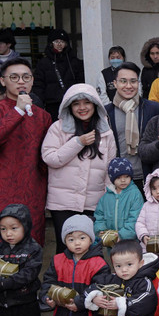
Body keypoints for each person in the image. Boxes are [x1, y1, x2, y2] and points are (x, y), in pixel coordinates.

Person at [0, 59, 52, 275]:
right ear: (2, 81)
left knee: (29, 245)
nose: (21, 82)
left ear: (32, 81)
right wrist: (17, 111)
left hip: (32, 186)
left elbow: (45, 155)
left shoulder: (43, 116)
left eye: (26, 77)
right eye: (14, 77)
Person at [41, 84, 116, 255]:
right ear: (69, 106)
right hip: (63, 202)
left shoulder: (106, 132)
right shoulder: (57, 128)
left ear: (95, 104)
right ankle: (64, 281)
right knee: (65, 248)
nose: (82, 108)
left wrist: (108, 199)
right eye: (76, 104)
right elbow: (50, 158)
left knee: (91, 248)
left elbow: (109, 169)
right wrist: (78, 142)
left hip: (94, 201)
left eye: (86, 103)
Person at [39, 214, 109, 316]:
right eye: (71, 239)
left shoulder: (98, 263)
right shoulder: (57, 260)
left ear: (90, 239)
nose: (77, 243)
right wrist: (46, 297)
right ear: (65, 241)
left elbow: (99, 287)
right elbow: (48, 282)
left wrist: (79, 303)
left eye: (82, 238)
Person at [105, 62, 159, 186]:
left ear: (138, 83)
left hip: (148, 177)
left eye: (133, 81)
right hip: (118, 179)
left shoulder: (153, 109)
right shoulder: (106, 113)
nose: (129, 86)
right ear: (115, 83)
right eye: (123, 81)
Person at [33, 28, 85, 119]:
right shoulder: (44, 63)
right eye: (56, 41)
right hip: (52, 104)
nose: (59, 44)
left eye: (62, 41)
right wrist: (40, 104)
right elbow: (39, 85)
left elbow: (81, 81)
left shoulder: (74, 61)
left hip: (72, 101)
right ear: (51, 43)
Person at [93, 158, 144, 245]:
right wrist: (101, 231)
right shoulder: (106, 196)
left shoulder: (135, 194)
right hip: (109, 242)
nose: (123, 180)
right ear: (112, 178)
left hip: (129, 242)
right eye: (119, 177)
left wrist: (122, 235)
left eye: (126, 177)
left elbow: (135, 218)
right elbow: (99, 216)